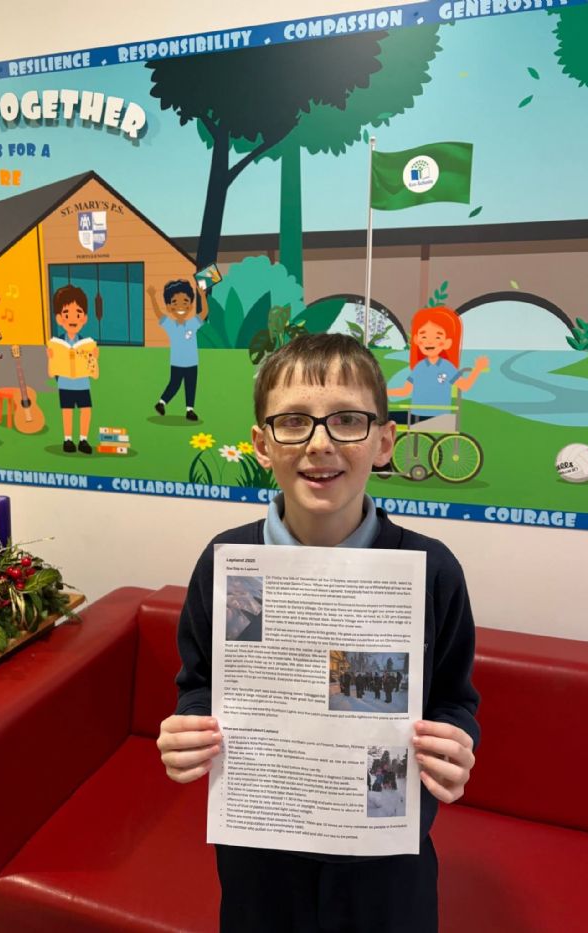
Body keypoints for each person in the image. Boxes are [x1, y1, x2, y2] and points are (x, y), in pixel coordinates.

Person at [157, 332, 478, 933]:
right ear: (262, 444)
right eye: (293, 422)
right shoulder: (229, 566)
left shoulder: (431, 572)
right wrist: (189, 728)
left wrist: (455, 744)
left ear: (384, 441)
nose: (320, 443)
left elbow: (454, 699)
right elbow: (200, 684)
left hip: (386, 866)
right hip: (260, 861)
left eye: (348, 420)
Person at [388, 305, 489, 424]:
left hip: (433, 416)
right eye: (424, 336)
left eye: (437, 337)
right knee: (383, 416)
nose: (429, 341)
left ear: (447, 343)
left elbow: (465, 385)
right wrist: (385, 392)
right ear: (416, 340)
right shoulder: (420, 367)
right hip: (417, 414)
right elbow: (405, 391)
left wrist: (477, 369)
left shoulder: (446, 367)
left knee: (383, 418)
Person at [47, 285, 99, 454]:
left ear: (84, 318)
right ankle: (68, 439)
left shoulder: (86, 344)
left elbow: (94, 373)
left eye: (78, 314)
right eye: (66, 314)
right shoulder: (57, 344)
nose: (72, 319)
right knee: (67, 412)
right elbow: (51, 372)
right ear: (59, 318)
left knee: (86, 410)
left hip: (83, 384)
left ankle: (83, 439)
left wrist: (94, 358)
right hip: (65, 384)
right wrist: (51, 358)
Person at [151, 278, 208, 422]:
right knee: (174, 384)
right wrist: (152, 297)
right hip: (177, 363)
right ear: (169, 306)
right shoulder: (170, 325)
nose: (180, 306)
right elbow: (158, 313)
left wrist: (202, 295)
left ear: (191, 304)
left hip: (192, 363)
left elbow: (204, 312)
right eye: (175, 303)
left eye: (185, 302)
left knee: (190, 385)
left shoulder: (193, 323)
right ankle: (161, 403)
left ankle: (190, 410)